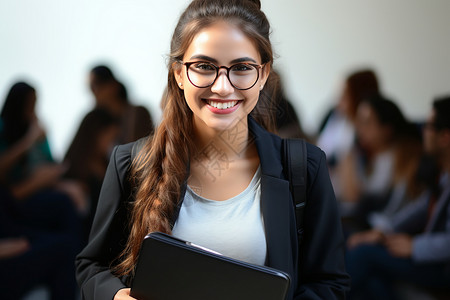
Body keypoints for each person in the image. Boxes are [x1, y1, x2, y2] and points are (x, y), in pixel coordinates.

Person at [76, 1, 350, 299]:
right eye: (205, 66)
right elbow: (92, 266)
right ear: (179, 73)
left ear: (264, 74)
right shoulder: (132, 164)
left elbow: (330, 284)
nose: (222, 87)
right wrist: (115, 296)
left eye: (242, 68)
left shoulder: (304, 167)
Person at [346, 96, 450, 299]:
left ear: (445, 136)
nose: (423, 131)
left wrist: (414, 246)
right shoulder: (442, 175)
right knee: (372, 282)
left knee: (363, 254)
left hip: (440, 266)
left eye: (428, 126)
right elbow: (419, 210)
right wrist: (383, 233)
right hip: (428, 256)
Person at [64, 108, 120, 243]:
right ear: (95, 135)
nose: (113, 144)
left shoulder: (112, 167)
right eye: (110, 138)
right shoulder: (73, 173)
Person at [89, 65, 155, 144]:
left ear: (113, 86)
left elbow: (136, 150)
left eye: (96, 86)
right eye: (91, 88)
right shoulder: (100, 124)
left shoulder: (137, 113)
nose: (93, 92)